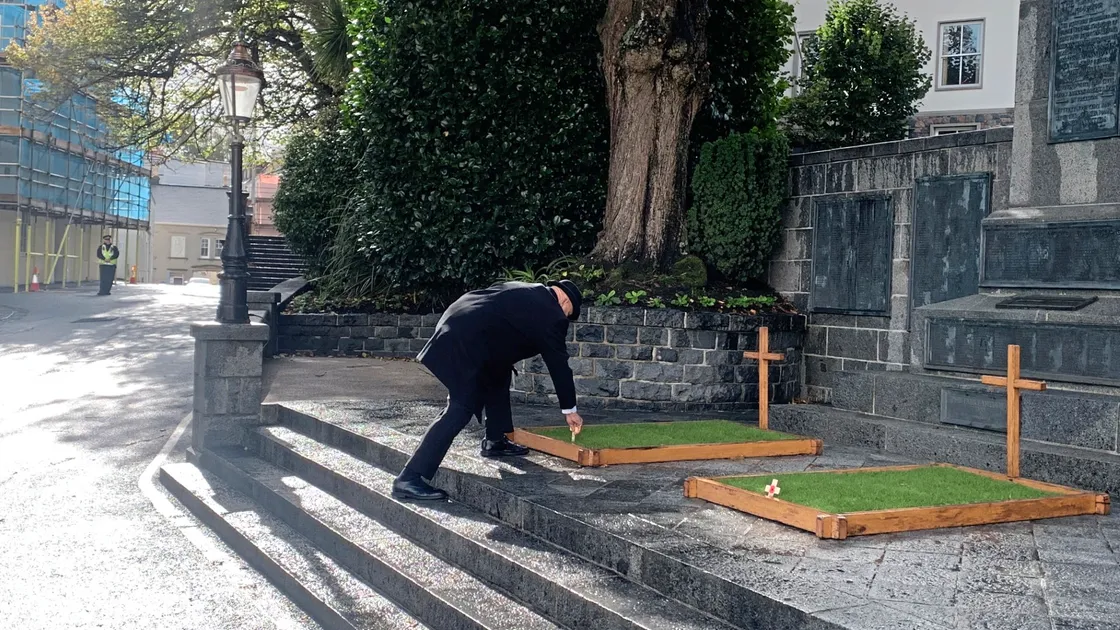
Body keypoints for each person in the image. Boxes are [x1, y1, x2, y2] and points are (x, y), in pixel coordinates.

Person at [392, 280, 585, 501]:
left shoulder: (527, 291)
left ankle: (495, 440)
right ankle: (409, 478)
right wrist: (570, 410)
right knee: (460, 407)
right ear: (565, 301)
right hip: (465, 343)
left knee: (499, 372)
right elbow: (558, 363)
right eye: (569, 313)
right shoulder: (552, 313)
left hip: (459, 326)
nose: (565, 319)